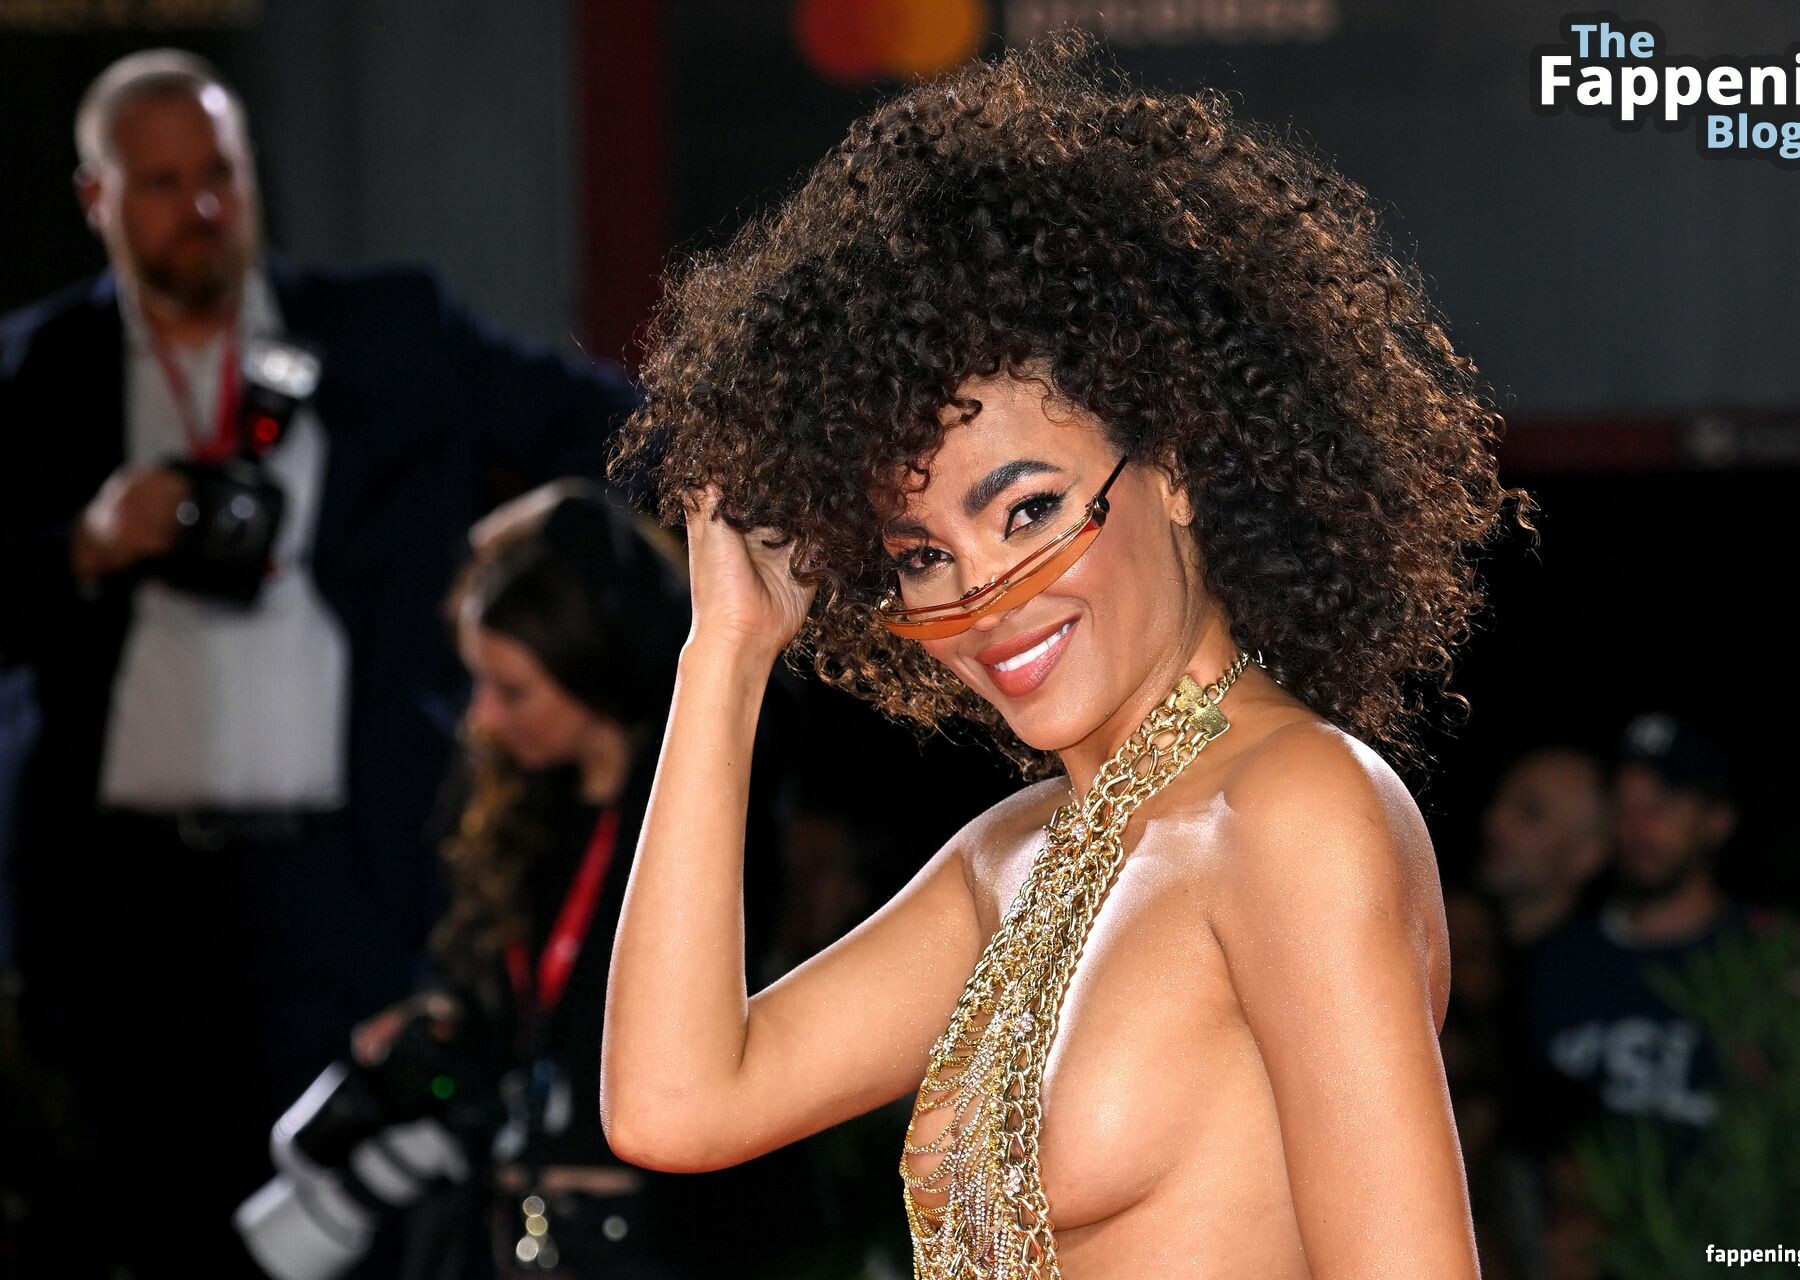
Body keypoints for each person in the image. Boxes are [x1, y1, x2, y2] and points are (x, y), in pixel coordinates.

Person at [600, 36, 1530, 1279]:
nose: (982, 594)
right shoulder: (1010, 858)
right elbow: (673, 1105)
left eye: (1028, 508)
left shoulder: (1294, 810)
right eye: (921, 554)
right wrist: (727, 647)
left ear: (1177, 466)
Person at [0, 49, 638, 1276]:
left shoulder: (384, 331)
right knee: (151, 1238)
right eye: (160, 183)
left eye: (221, 174)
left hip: (348, 878)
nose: (199, 207)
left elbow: (599, 422)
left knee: (361, 1236)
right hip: (121, 905)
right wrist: (85, 544)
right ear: (95, 198)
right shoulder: (35, 373)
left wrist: (562, 535)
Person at [333, 485, 791, 1279]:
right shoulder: (516, 813)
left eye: (512, 691)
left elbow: (632, 571)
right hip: (503, 1230)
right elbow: (508, 1007)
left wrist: (551, 514)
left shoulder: (704, 806)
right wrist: (441, 1018)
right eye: (479, 684)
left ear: (593, 668)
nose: (481, 719)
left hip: (649, 1244)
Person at [1517, 713, 1751, 1155]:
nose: (1638, 825)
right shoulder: (1557, 964)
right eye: (1623, 806)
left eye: (1663, 803)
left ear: (1717, 821)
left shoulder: (1762, 960)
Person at [1478, 746, 1611, 948]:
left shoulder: (1591, 962)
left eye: (1531, 812)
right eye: (1498, 800)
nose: (1495, 822)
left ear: (1587, 855)